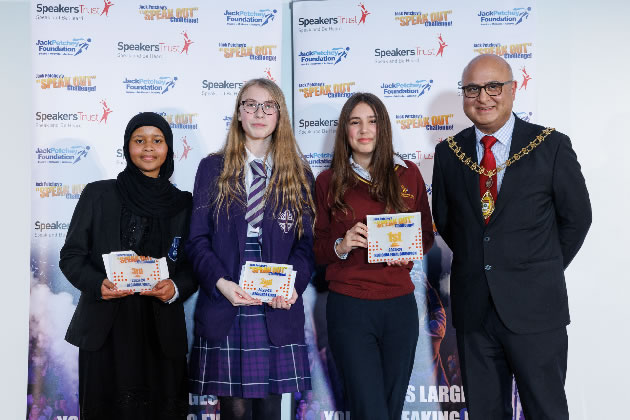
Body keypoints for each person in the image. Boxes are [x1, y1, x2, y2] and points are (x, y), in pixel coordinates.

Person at [432, 54, 592, 419]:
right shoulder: (448, 154)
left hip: (536, 309)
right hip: (475, 313)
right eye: (472, 88)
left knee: (545, 410)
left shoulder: (550, 146)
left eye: (493, 87)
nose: (483, 97)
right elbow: (447, 222)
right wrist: (487, 269)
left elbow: (577, 218)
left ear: (513, 90)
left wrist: (539, 267)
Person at [187, 78, 314, 420]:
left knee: (271, 410)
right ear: (239, 114)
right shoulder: (212, 168)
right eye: (250, 104)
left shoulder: (299, 173)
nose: (259, 113)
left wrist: (291, 287)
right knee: (234, 412)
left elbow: (306, 245)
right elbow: (197, 241)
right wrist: (221, 284)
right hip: (227, 297)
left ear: (279, 115)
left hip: (277, 305)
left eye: (268, 105)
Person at [59, 112, 196, 420]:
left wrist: (176, 287)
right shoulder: (99, 194)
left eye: (157, 140)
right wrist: (97, 284)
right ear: (127, 146)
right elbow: (71, 256)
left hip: (160, 331)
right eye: (139, 140)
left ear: (168, 149)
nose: (148, 147)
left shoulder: (184, 204)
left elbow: (192, 266)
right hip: (106, 331)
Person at [314, 92, 434, 420]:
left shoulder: (409, 174)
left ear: (383, 128)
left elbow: (425, 235)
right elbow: (317, 248)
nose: (364, 129)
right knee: (369, 411)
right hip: (350, 307)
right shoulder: (328, 181)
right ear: (345, 131)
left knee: (390, 410)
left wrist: (407, 252)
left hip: (399, 307)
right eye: (355, 122)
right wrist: (342, 243)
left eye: (372, 121)